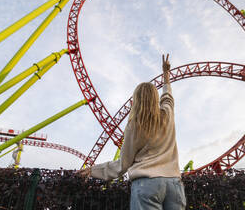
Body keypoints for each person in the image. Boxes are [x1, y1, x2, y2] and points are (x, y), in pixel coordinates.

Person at [78, 54, 186, 209]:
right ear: (156, 98)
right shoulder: (167, 115)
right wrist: (166, 74)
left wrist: (93, 170)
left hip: (147, 183)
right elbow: (168, 96)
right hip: (174, 183)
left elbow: (123, 164)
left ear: (136, 100)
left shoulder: (135, 126)